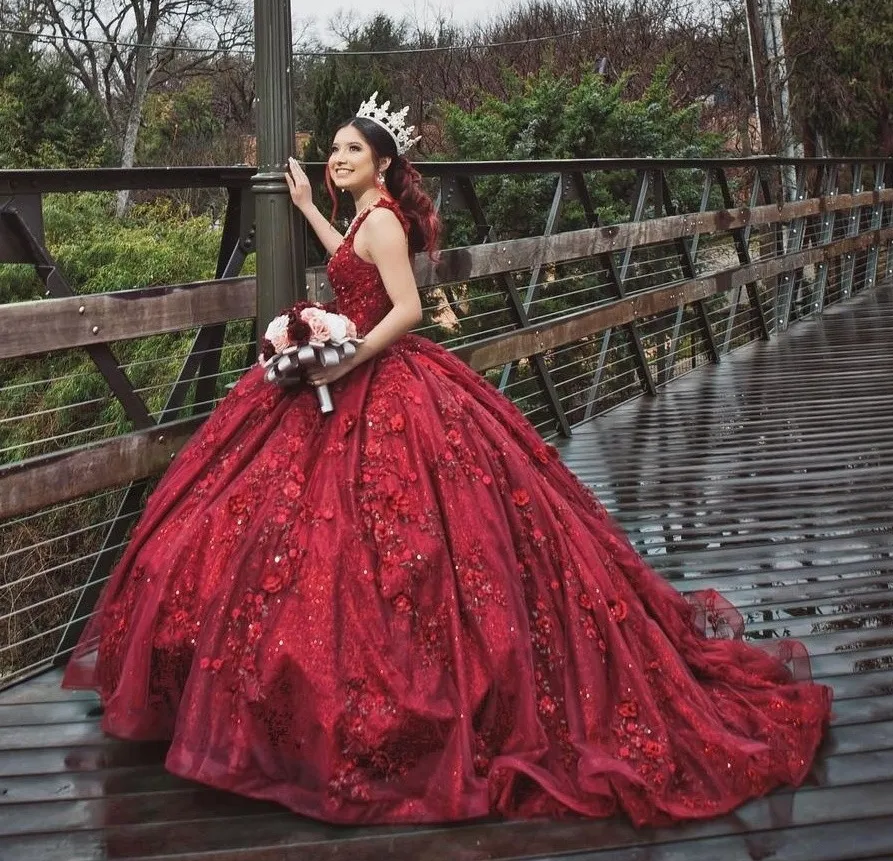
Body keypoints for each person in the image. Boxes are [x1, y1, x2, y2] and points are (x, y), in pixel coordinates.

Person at [64, 93, 832, 827]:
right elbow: (353, 268)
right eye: (333, 149)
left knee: (398, 543)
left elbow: (406, 310)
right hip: (350, 368)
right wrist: (303, 212)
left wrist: (343, 358)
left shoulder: (387, 221)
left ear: (383, 161)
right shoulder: (366, 217)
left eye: (351, 150)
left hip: (378, 376)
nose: (336, 159)